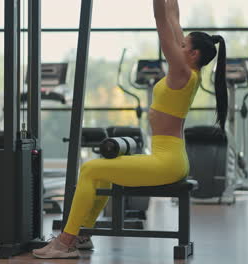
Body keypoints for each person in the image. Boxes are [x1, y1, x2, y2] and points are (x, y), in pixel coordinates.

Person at [33, 0, 227, 259]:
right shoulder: (190, 71)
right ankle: (82, 234)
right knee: (101, 171)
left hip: (167, 162)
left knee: (90, 169)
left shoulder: (182, 71)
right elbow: (173, 18)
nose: (179, 44)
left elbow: (162, 23)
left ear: (193, 55)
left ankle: (64, 243)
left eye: (183, 45)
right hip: (171, 159)